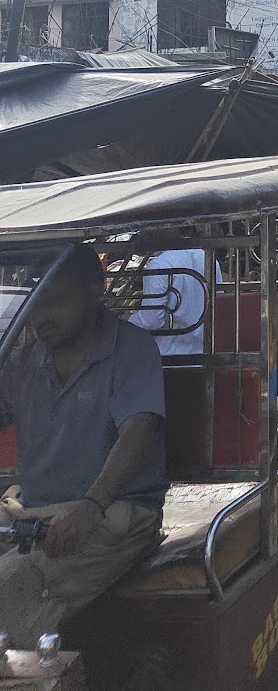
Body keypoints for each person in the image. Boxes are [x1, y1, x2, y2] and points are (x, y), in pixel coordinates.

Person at [0, 246, 166, 650]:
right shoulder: (22, 361)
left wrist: (91, 506)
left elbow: (139, 432)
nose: (41, 317)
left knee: (17, 583)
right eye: (35, 305)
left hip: (114, 513)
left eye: (56, 302)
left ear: (97, 290)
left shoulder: (132, 348)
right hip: (33, 515)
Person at [129, 249, 215, 357]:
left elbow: (150, 321)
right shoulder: (207, 258)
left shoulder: (160, 265)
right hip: (204, 352)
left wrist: (127, 321)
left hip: (169, 356)